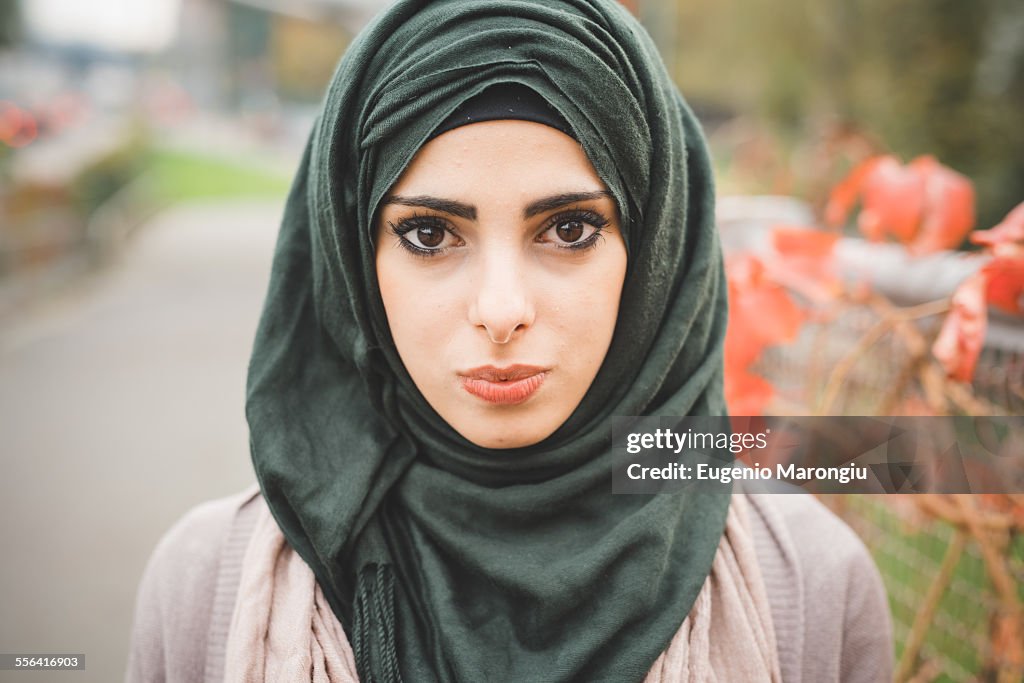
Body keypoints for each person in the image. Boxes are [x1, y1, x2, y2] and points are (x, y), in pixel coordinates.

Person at [126, 0, 893, 681]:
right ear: (354, 259)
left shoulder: (812, 588)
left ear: (658, 251)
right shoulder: (205, 585)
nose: (501, 310)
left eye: (570, 228)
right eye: (429, 233)